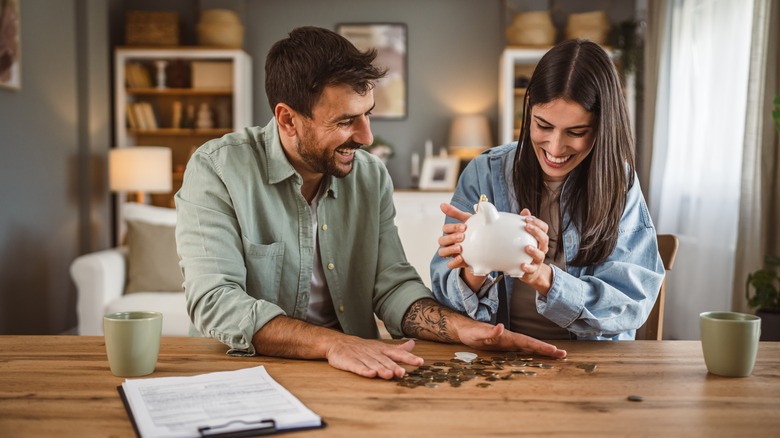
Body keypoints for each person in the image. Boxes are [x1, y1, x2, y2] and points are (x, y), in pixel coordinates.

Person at [175, 26, 566, 381]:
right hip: (242, 373)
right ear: (288, 119)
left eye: (369, 115)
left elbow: (392, 285)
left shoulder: (369, 175)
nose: (366, 137)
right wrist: (332, 343)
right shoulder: (217, 170)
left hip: (357, 372)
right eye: (346, 121)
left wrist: (463, 328)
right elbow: (215, 301)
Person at [432, 39, 665, 341]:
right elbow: (444, 301)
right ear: (528, 113)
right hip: (501, 355)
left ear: (602, 128)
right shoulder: (485, 172)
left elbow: (631, 303)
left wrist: (543, 277)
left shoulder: (619, 184)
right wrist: (475, 264)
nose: (555, 148)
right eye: (543, 125)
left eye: (576, 132)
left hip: (592, 364)